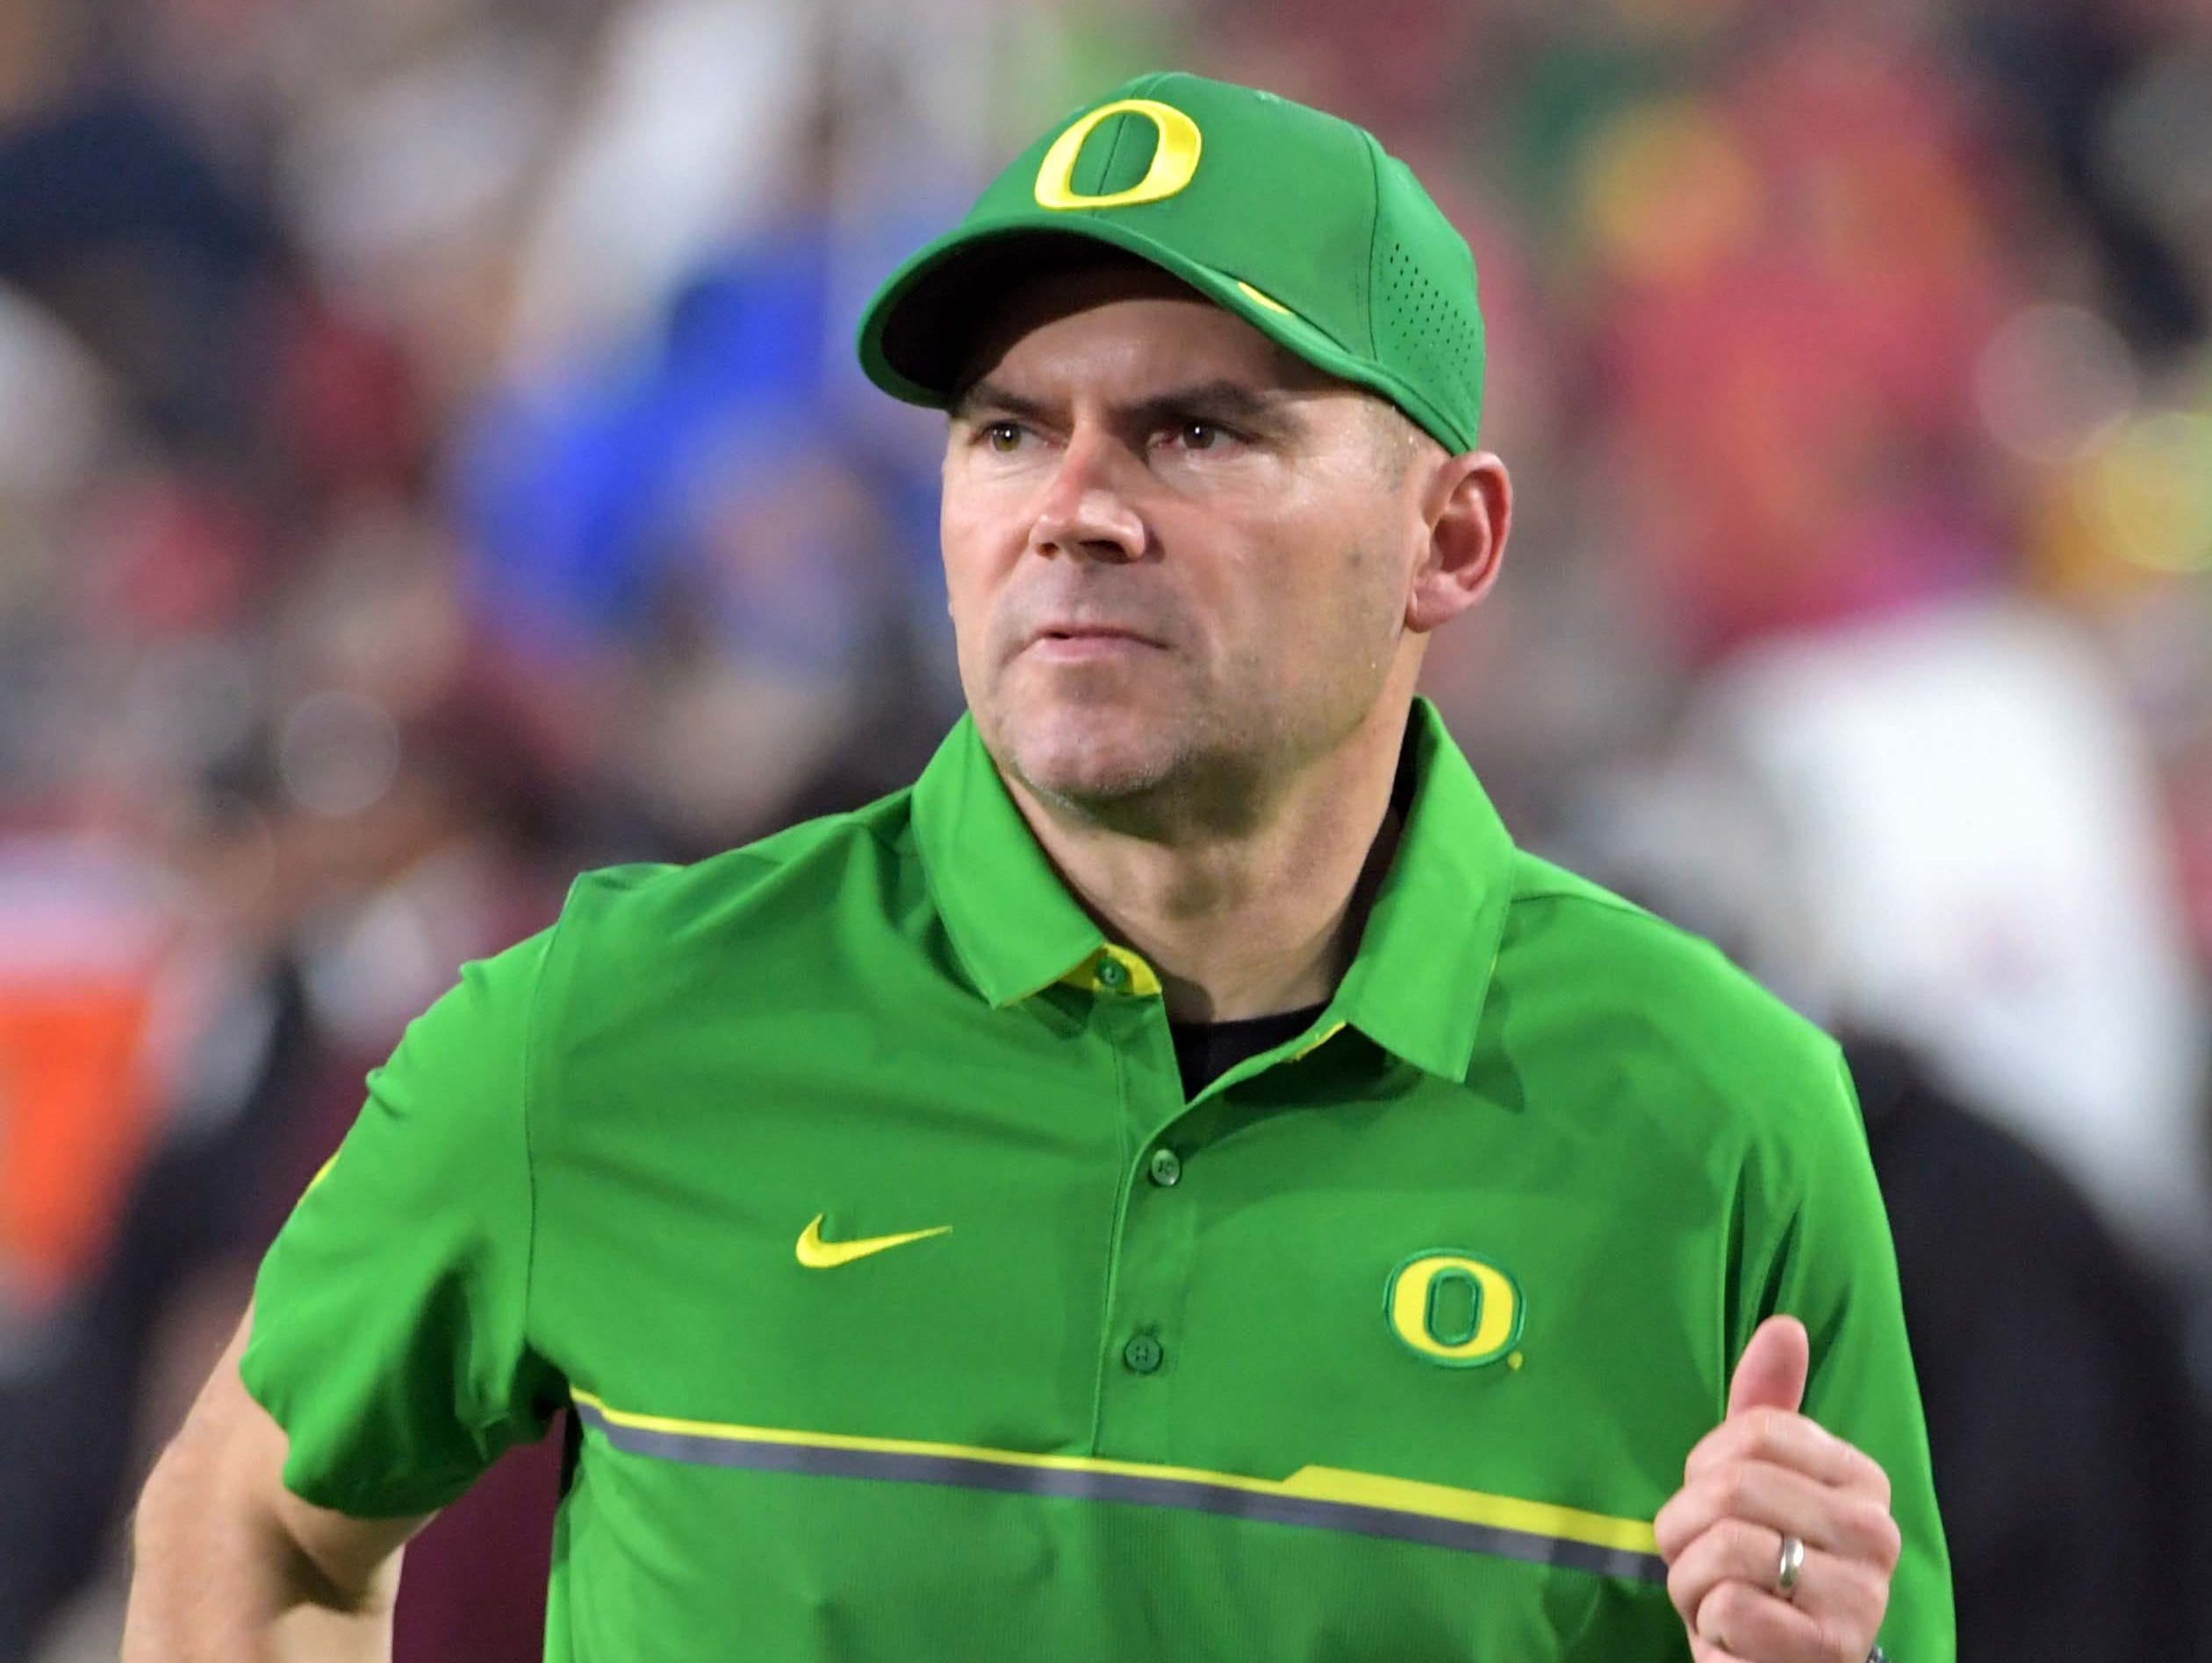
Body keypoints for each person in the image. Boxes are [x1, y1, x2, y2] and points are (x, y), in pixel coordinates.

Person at [123, 72, 1950, 1662]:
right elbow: (257, 1520)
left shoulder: (1722, 1118)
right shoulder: (603, 1027)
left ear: (1449, 538)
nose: (1072, 505)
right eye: (1008, 429)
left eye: (1196, 431)